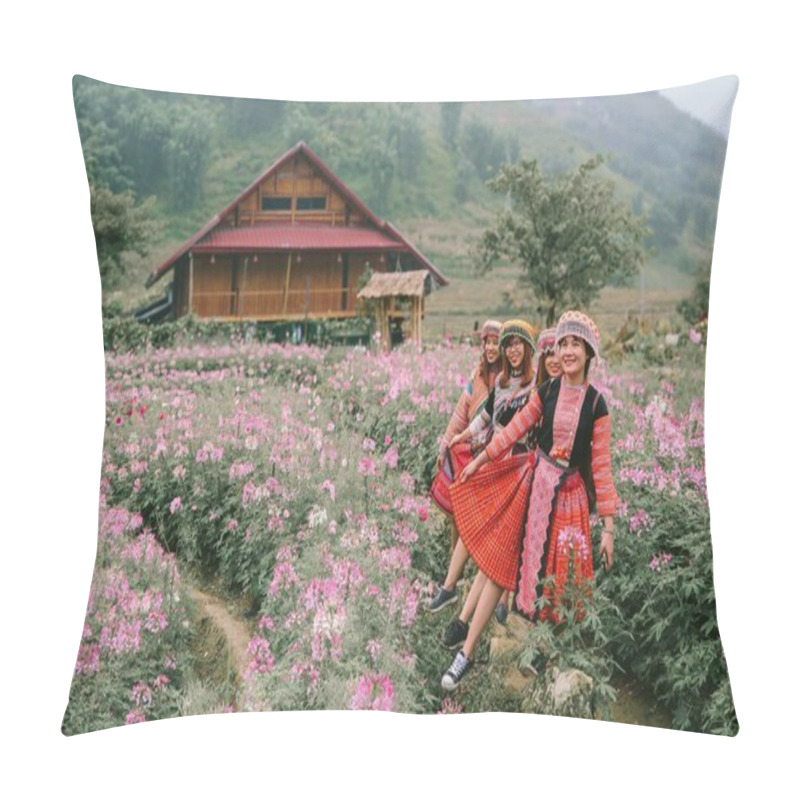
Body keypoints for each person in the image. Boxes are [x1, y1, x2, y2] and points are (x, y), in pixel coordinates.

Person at [442, 311, 618, 691]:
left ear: (589, 353)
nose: (567, 351)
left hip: (569, 500)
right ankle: (465, 653)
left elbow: (601, 466)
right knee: (499, 564)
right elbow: (514, 431)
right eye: (563, 344)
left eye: (576, 345)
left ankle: (542, 653)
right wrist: (478, 461)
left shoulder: (597, 405)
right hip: (533, 484)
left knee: (557, 581)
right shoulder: (548, 391)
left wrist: (607, 527)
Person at [428, 320, 537, 619]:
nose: (512, 351)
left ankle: (503, 600)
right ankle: (451, 587)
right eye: (508, 345)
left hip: (514, 462)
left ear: (528, 349)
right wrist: (460, 436)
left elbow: (519, 431)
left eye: (518, 345)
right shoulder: (502, 381)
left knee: (509, 533)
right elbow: (484, 416)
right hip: (493, 457)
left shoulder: (534, 386)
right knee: (476, 522)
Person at [495, 326, 561, 624]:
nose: (553, 360)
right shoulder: (538, 392)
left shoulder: (570, 394)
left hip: (551, 477)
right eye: (548, 355)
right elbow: (513, 428)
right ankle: (509, 596)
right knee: (518, 533)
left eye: (556, 353)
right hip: (526, 467)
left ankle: (527, 604)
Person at [430, 319, 502, 524]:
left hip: (495, 450)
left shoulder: (507, 379)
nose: (490, 348)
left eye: (495, 343)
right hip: (474, 444)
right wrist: (445, 446)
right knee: (458, 501)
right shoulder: (477, 376)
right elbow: (460, 415)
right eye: (487, 342)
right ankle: (454, 553)